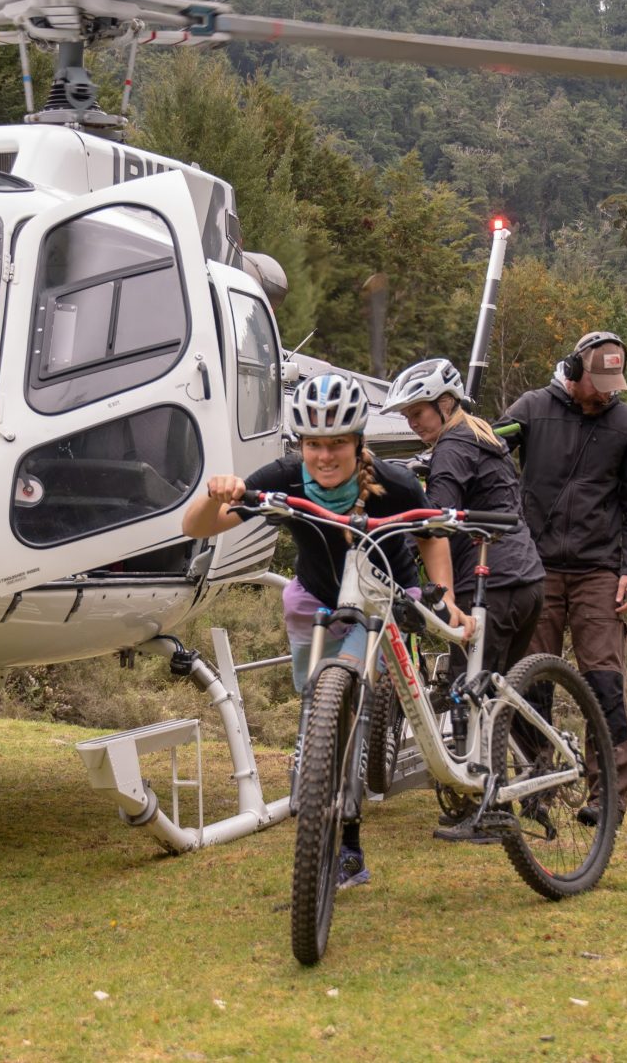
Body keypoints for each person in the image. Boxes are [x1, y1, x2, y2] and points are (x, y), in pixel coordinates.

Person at [182, 372, 471, 888]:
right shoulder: (286, 475)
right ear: (302, 444)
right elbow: (197, 527)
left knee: (348, 700)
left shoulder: (394, 482)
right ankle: (318, 740)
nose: (325, 455)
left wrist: (444, 594)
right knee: (317, 701)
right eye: (314, 444)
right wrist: (215, 493)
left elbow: (430, 534)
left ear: (358, 442)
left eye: (337, 442)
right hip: (314, 598)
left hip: (382, 598)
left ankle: (350, 848)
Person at [382, 357, 546, 843]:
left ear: (446, 403)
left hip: (493, 580)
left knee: (468, 690)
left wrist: (392, 536)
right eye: (408, 416)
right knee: (494, 690)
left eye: (419, 413)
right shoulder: (481, 435)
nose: (414, 423)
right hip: (524, 577)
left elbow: (435, 516)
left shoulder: (454, 444)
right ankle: (533, 785)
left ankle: (486, 806)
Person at [500, 330, 627, 825]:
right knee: (532, 682)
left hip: (599, 573)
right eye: (600, 381)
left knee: (604, 685)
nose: (609, 391)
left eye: (615, 382)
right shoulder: (531, 408)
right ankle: (536, 785)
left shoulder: (626, 423)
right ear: (573, 369)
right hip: (535, 569)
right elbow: (488, 455)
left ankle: (604, 797)